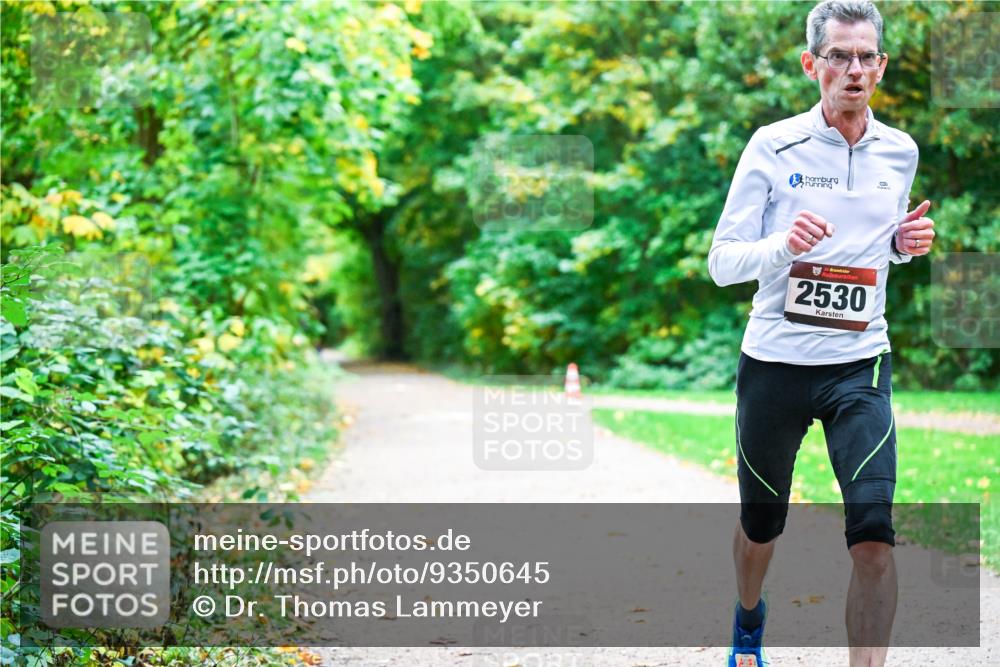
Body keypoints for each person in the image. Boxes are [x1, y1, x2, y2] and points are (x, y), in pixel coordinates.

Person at [706, 1, 936, 666]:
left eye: (866, 55)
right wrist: (782, 245)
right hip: (775, 363)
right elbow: (722, 263)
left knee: (873, 537)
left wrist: (901, 243)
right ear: (812, 64)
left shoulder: (900, 150)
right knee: (761, 525)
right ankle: (749, 619)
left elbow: (876, 242)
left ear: (882, 65)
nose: (853, 69)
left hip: (858, 363)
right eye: (838, 55)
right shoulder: (772, 146)